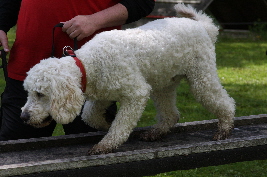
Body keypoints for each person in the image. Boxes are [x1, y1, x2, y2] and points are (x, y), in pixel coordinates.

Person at [0, 0, 155, 141]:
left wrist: (94, 21)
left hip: (90, 78)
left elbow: (142, 2)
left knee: (91, 157)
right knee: (15, 155)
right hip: (28, 71)